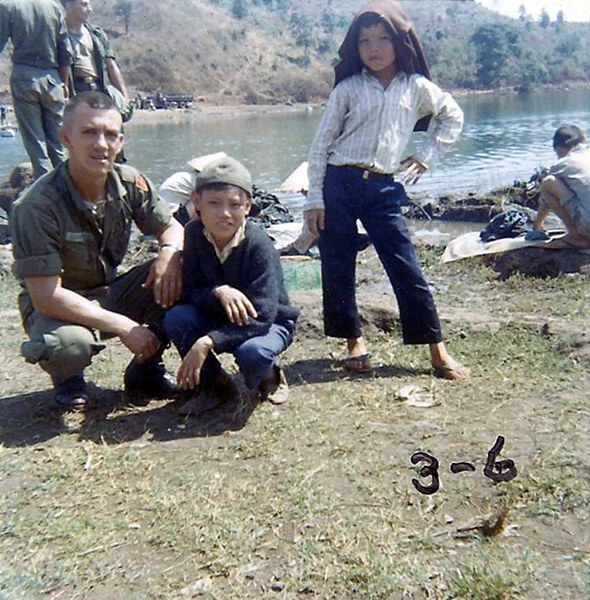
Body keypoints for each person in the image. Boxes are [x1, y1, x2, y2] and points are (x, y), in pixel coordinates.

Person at [304, 0, 469, 380]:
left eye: (382, 39)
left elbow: (452, 116)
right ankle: (353, 343)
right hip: (338, 183)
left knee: (405, 264)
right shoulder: (347, 89)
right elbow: (320, 146)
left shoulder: (416, 87)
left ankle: (436, 349)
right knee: (338, 264)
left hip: (384, 186)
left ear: (400, 43)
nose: (374, 49)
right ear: (355, 47)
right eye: (365, 41)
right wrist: (314, 198)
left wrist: (426, 156)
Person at [10, 92, 184, 410]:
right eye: (89, 132)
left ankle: (147, 369)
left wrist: (169, 252)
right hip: (56, 307)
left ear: (120, 142)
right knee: (68, 345)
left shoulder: (130, 183)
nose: (101, 144)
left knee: (180, 270)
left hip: (108, 292)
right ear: (66, 138)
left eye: (110, 134)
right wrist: (123, 326)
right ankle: (68, 379)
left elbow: (173, 227)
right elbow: (47, 296)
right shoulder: (36, 206)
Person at [164, 156, 299, 416]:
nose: (224, 213)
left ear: (247, 206)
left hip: (267, 323)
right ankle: (214, 385)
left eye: (234, 205)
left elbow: (263, 314)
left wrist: (207, 341)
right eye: (214, 203)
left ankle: (270, 375)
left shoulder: (258, 243)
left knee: (253, 353)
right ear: (196, 202)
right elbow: (191, 289)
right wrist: (218, 291)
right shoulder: (192, 234)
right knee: (177, 318)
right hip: (220, 316)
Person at [0, 0, 72, 180]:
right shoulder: (54, 6)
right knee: (59, 146)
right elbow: (65, 51)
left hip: (24, 78)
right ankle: (67, 190)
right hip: (53, 80)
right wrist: (65, 84)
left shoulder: (8, 5)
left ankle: (46, 196)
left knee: (36, 145)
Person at [533, 125, 590, 250]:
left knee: (548, 183)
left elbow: (545, 200)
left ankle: (576, 237)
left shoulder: (563, 164)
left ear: (558, 149)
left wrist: (537, 226)